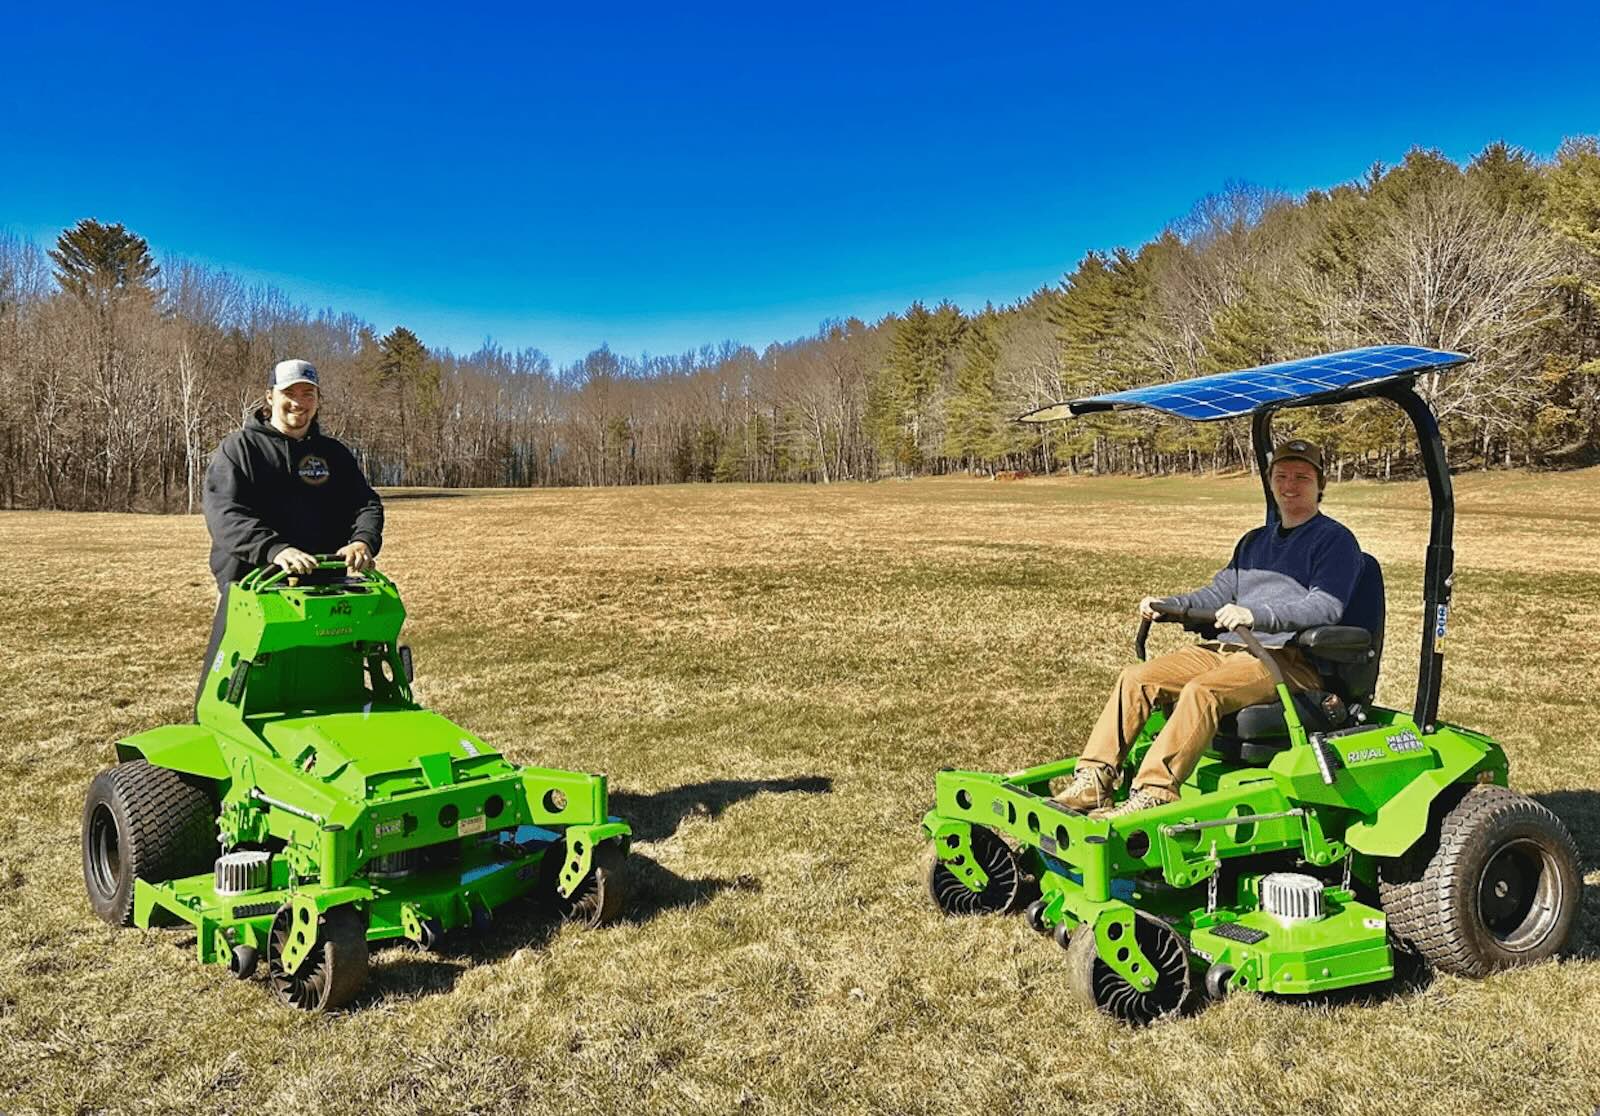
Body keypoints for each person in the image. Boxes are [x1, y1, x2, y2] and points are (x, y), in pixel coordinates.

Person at [1055, 438, 1361, 820]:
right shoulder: (1254, 542)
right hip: (1229, 650)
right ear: (1270, 481)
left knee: (1202, 692)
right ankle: (1094, 780)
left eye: (1302, 477)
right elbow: (1217, 593)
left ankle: (1154, 794)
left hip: (1285, 658)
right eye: (1281, 476)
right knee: (1136, 678)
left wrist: (1255, 615)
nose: (1290, 486)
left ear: (1321, 485)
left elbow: (1325, 606)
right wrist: (1169, 606)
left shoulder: (1335, 540)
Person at [195, 358, 384, 711]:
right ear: (270, 397)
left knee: (331, 694)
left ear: (318, 399)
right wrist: (275, 550)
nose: (299, 402)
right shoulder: (240, 449)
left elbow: (366, 504)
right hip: (253, 590)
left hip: (325, 594)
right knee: (234, 701)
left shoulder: (334, 455)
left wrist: (362, 541)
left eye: (308, 393)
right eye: (289, 393)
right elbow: (225, 515)